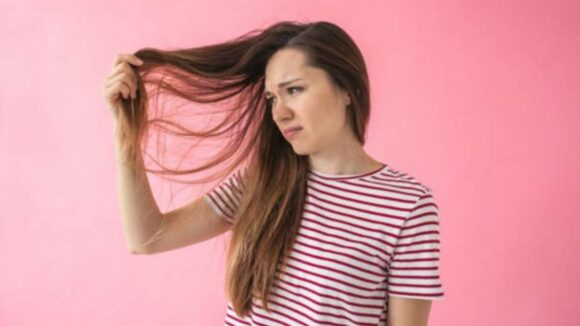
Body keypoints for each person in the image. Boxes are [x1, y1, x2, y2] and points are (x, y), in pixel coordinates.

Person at [102, 20, 445, 326]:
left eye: (294, 90)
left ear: (346, 89)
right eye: (271, 99)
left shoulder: (407, 206)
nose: (279, 113)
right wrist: (126, 134)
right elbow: (148, 237)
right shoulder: (261, 182)